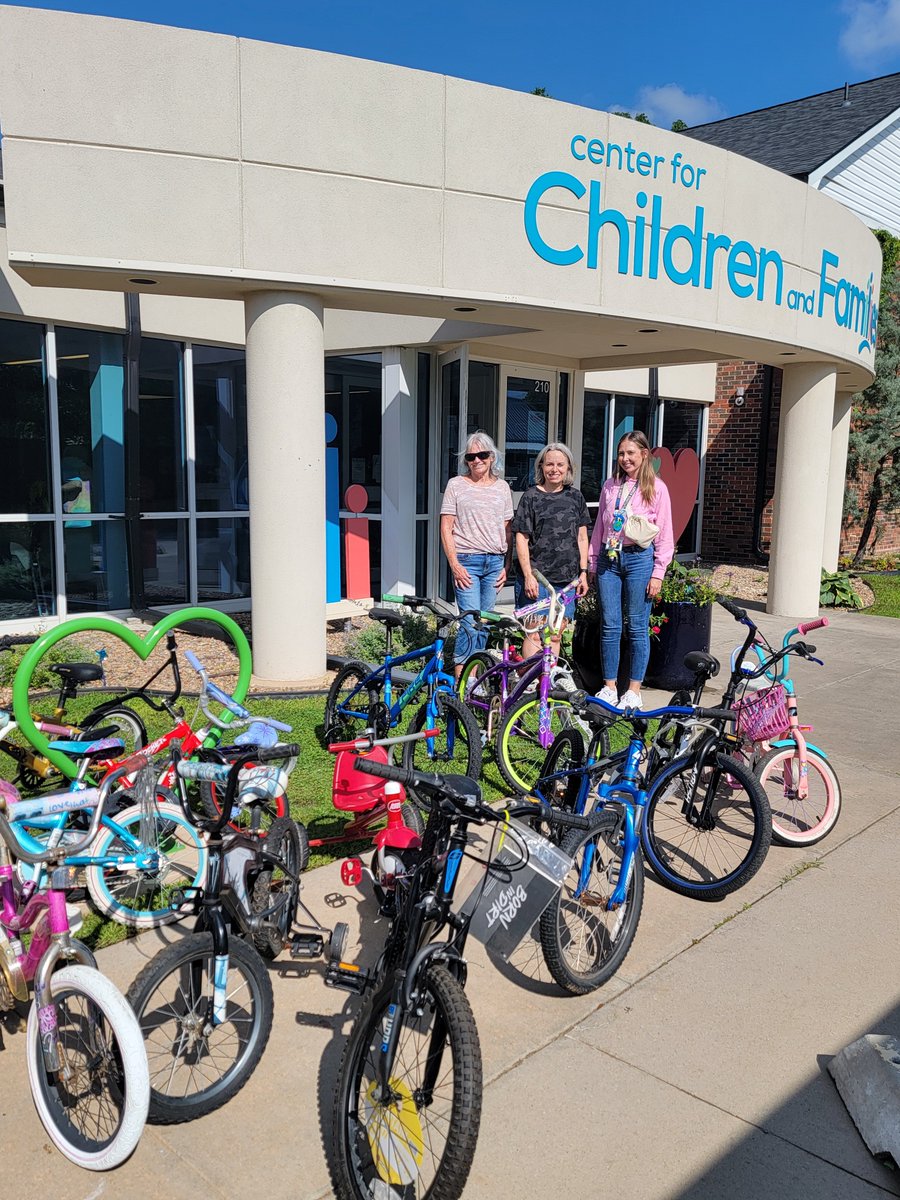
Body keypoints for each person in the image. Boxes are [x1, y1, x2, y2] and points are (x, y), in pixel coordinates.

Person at [588, 430, 674, 710]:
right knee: (610, 626)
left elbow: (665, 535)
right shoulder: (611, 485)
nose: (625, 458)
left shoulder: (657, 488)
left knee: (637, 627)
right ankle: (610, 686)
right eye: (621, 453)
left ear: (644, 454)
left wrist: (658, 572)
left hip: (639, 560)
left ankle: (634, 689)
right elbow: (600, 527)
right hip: (609, 561)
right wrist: (592, 561)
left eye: (630, 453)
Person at [440, 432, 513, 679]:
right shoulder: (456, 485)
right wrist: (454, 563)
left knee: (485, 623)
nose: (477, 461)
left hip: (494, 562)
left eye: (482, 455)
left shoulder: (502, 487)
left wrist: (507, 565)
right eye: (471, 456)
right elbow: (446, 526)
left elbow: (508, 529)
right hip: (467, 561)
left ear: (492, 457)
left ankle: (476, 678)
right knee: (470, 622)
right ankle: (462, 682)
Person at [511, 442, 590, 660]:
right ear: (541, 467)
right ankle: (530, 687)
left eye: (560, 465)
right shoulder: (531, 497)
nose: (554, 469)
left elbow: (582, 537)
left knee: (555, 635)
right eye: (549, 464)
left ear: (568, 468)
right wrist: (528, 575)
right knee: (534, 635)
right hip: (537, 580)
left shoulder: (576, 497)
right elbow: (521, 538)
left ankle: (546, 685)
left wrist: (583, 572)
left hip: (566, 582)